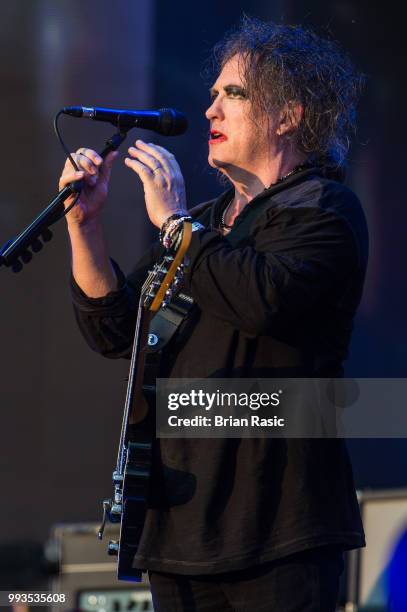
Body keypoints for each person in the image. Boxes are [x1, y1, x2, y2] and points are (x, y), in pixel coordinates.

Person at [59, 17, 368, 612]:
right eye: (212, 95)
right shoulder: (206, 222)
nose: (210, 111)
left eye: (234, 94)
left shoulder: (324, 209)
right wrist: (86, 229)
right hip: (179, 528)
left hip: (278, 528)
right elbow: (115, 327)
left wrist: (177, 226)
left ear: (288, 115)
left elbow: (262, 298)